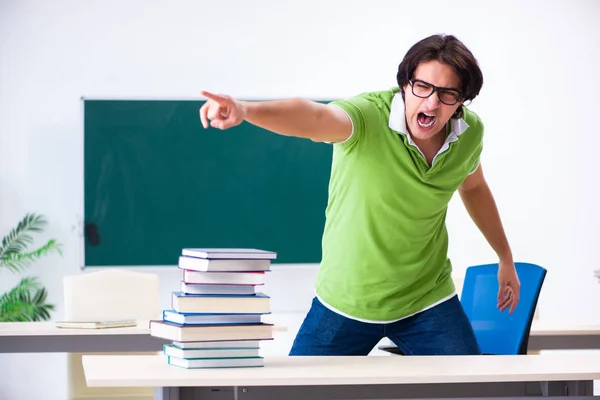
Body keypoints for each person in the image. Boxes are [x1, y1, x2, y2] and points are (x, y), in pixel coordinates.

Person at [199, 33, 520, 356]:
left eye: (448, 93)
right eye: (422, 87)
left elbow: (474, 186)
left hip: (426, 299)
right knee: (296, 391)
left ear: (461, 100)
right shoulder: (367, 118)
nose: (432, 102)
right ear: (406, 84)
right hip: (345, 302)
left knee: (471, 384)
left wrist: (505, 257)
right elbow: (314, 117)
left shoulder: (469, 134)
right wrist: (244, 110)